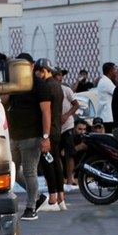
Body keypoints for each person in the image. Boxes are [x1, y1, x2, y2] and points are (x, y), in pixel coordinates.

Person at [1, 52, 50, 221]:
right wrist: (7, 83)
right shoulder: (15, 84)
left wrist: (45, 136)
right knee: (11, 169)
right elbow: (4, 102)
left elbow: (46, 112)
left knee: (30, 171)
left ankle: (31, 208)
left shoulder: (39, 85)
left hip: (32, 135)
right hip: (15, 135)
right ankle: (37, 197)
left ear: (32, 66)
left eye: (24, 66)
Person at [34, 59, 67, 211]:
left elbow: (45, 111)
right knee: (56, 163)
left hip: (48, 130)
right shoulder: (57, 85)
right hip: (57, 128)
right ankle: (61, 197)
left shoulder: (46, 86)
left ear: (43, 70)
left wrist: (44, 134)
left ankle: (52, 197)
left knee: (48, 163)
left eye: (37, 71)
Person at [53, 68, 79, 190]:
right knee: (56, 153)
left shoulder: (67, 90)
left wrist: (66, 115)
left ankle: (70, 178)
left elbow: (76, 104)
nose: (60, 77)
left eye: (61, 75)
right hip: (55, 126)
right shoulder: (49, 90)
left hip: (67, 124)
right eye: (58, 75)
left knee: (70, 153)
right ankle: (59, 179)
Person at [95, 62, 118, 133]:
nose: (117, 72)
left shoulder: (106, 81)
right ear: (110, 71)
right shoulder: (106, 82)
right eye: (115, 69)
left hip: (108, 117)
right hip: (108, 117)